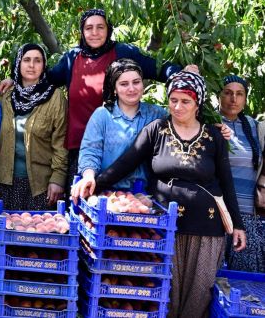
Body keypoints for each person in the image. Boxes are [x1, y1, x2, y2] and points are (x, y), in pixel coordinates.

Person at [72, 70, 246, 318]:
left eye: (185, 101)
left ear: (197, 104)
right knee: (164, 294)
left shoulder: (214, 136)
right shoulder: (157, 130)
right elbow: (124, 164)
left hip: (207, 229)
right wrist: (92, 184)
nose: (177, 106)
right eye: (173, 100)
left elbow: (227, 183)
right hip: (165, 229)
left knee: (198, 297)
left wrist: (237, 225)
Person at [0, 9, 187, 192]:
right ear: (82, 31)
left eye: (100, 27)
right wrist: (15, 81)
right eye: (89, 28)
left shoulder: (122, 52)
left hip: (120, 149)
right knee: (83, 204)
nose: (94, 33)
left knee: (123, 204)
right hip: (80, 150)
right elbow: (46, 79)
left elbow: (158, 69)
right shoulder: (72, 58)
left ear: (108, 30)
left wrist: (184, 74)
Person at [0, 43, 68, 210]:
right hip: (3, 182)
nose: (31, 65)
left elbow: (61, 141)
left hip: (40, 185)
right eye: (26, 60)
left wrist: (58, 178)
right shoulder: (6, 95)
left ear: (44, 65)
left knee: (35, 233)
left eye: (37, 60)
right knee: (2, 232)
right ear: (18, 64)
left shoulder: (55, 97)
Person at [77, 59, 167, 192]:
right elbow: (90, 151)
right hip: (107, 192)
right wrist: (88, 175)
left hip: (147, 195)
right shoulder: (103, 115)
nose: (131, 88)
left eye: (136, 82)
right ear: (114, 89)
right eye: (124, 84)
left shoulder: (157, 114)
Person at [219, 75, 264, 272]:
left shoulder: (255, 127)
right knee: (211, 276)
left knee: (244, 279)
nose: (233, 99)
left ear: (245, 98)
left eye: (239, 94)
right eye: (228, 93)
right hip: (217, 214)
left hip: (246, 214)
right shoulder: (208, 123)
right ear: (218, 96)